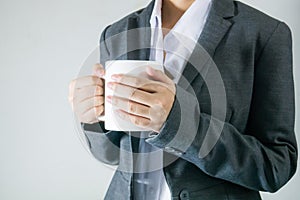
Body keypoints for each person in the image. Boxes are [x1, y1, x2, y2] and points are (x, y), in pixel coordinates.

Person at [68, 0, 298, 199]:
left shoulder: (264, 33)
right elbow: (110, 154)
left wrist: (178, 123)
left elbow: (276, 167)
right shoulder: (116, 33)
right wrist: (93, 120)